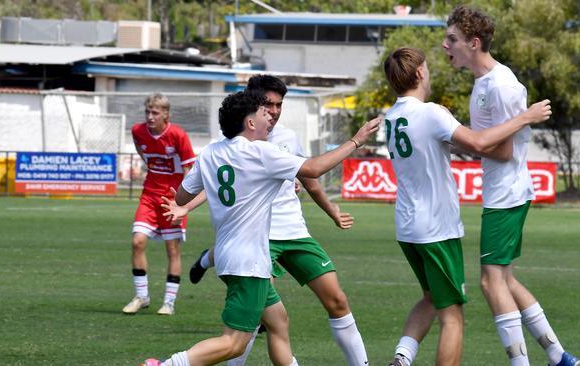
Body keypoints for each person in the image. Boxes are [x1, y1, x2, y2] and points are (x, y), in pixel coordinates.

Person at [140, 90, 380, 366]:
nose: (270, 117)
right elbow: (313, 169)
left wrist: (182, 204)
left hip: (229, 256)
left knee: (278, 321)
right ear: (250, 122)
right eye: (264, 113)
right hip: (249, 262)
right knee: (234, 343)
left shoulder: (210, 153)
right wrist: (355, 141)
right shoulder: (261, 152)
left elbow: (182, 196)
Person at [383, 47, 552, 366]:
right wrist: (525, 117)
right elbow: (477, 143)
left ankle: (402, 358)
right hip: (435, 228)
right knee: (452, 317)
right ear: (419, 73)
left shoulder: (392, 118)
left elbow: (444, 146)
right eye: (427, 67)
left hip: (407, 227)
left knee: (432, 298)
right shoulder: (431, 113)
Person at [442, 6, 580, 366]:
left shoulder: (500, 85)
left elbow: (501, 150)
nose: (445, 46)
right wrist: (463, 143)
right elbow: (492, 145)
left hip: (505, 193)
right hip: (506, 191)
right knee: (506, 280)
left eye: (452, 39)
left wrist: (453, 142)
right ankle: (559, 356)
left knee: (490, 283)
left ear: (474, 43)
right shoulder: (485, 81)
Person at [122, 93, 196, 316]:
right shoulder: (138, 131)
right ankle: (142, 296)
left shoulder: (177, 135)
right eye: (147, 112)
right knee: (137, 241)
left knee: (172, 249)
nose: (150, 116)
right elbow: (142, 151)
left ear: (166, 114)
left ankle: (169, 302)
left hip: (172, 199)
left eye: (155, 112)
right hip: (149, 195)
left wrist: (181, 200)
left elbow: (189, 170)